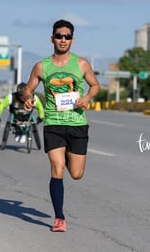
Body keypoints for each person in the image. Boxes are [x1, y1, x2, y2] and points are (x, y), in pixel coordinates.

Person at [22, 19, 100, 232]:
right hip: (54, 124)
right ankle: (59, 217)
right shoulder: (41, 66)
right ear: (52, 38)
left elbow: (95, 86)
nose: (62, 40)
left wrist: (87, 98)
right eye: (59, 36)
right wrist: (27, 98)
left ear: (72, 40)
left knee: (76, 174)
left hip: (77, 124)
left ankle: (67, 154)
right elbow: (28, 88)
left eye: (67, 36)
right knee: (56, 168)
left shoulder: (81, 63)